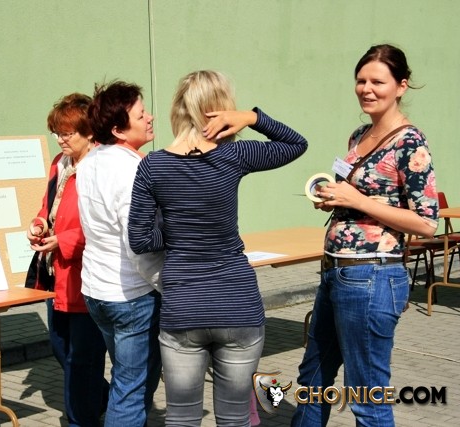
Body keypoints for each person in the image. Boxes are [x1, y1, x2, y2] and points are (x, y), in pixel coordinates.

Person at [128, 70, 308, 426]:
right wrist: (252, 117)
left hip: (183, 308)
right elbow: (295, 143)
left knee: (181, 418)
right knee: (236, 418)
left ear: (177, 108)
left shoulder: (153, 165)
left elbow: (140, 240)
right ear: (222, 110)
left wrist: (178, 230)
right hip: (238, 305)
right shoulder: (234, 155)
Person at [291, 44, 439, 426]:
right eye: (361, 80)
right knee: (312, 379)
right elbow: (358, 197)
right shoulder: (359, 135)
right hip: (335, 270)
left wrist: (358, 200)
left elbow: (426, 222)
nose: (366, 89)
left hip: (372, 276)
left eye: (378, 81)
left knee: (366, 395)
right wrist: (335, 200)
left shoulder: (409, 142)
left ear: (401, 86)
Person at [76, 81, 164, 427]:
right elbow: (138, 243)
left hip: (98, 291)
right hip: (130, 295)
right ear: (117, 129)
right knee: (131, 391)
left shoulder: (91, 160)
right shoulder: (131, 170)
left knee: (128, 384)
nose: (150, 117)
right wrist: (169, 286)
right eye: (141, 115)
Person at [26, 93, 108, 427]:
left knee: (82, 358)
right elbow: (49, 209)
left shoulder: (100, 167)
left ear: (89, 132)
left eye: (67, 132)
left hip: (87, 276)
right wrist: (38, 225)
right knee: (61, 349)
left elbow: (106, 225)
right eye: (56, 132)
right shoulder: (60, 164)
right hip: (56, 274)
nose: (60, 139)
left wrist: (65, 240)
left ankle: (82, 419)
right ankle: (108, 400)